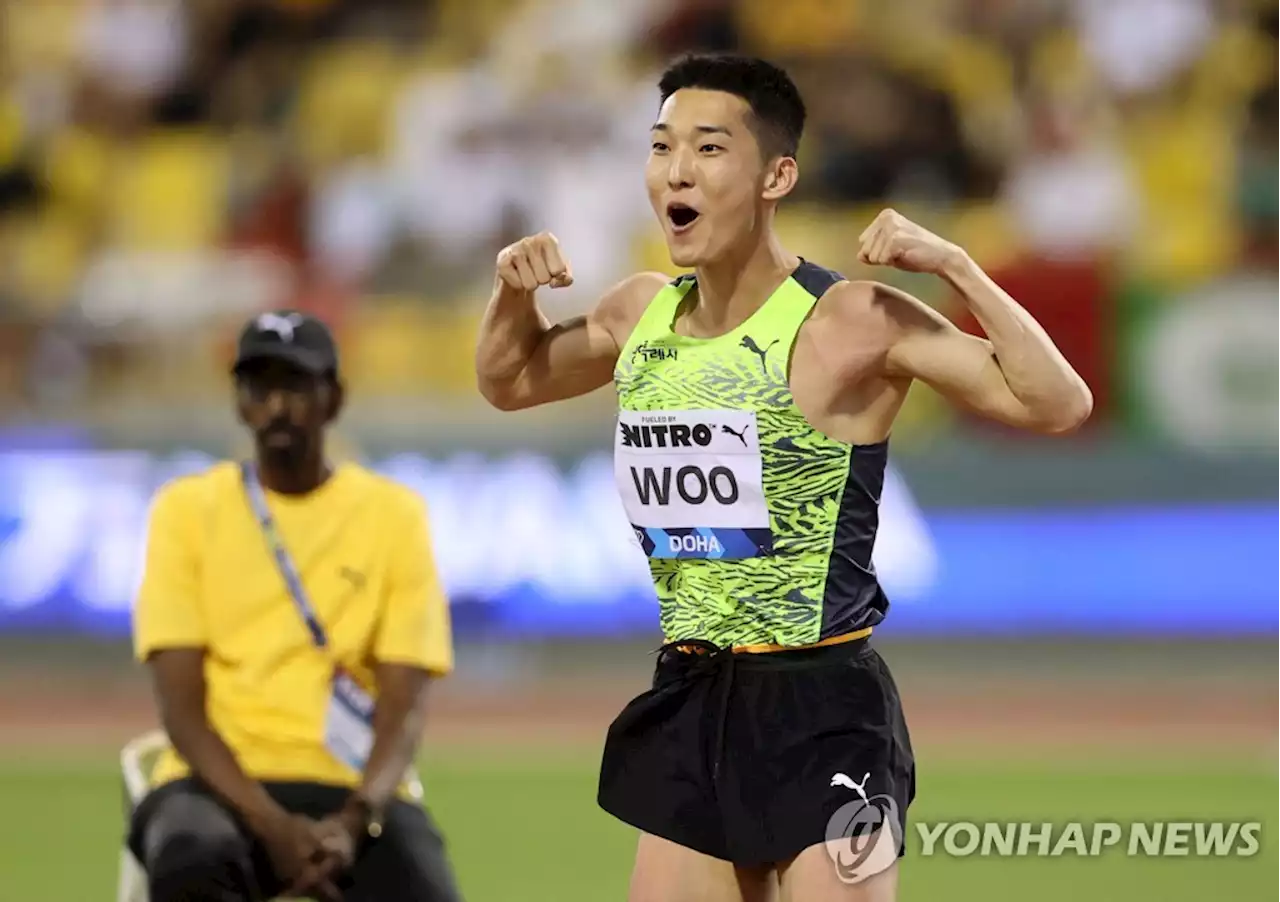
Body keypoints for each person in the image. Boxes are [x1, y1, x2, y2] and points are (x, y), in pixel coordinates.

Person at [474, 53, 1093, 902]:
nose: (676, 171)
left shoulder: (848, 321)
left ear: (778, 175)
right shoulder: (637, 312)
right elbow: (508, 382)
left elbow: (1057, 403)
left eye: (709, 148)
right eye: (661, 148)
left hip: (822, 709)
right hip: (692, 695)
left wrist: (957, 266)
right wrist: (511, 295)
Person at [128, 310, 463, 902]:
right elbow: (180, 711)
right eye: (260, 389)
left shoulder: (394, 516)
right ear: (239, 403)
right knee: (192, 854)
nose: (278, 407)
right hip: (214, 787)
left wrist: (355, 820)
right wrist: (274, 827)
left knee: (423, 883)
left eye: (297, 387)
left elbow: (403, 708)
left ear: (334, 400)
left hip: (350, 791)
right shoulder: (184, 512)